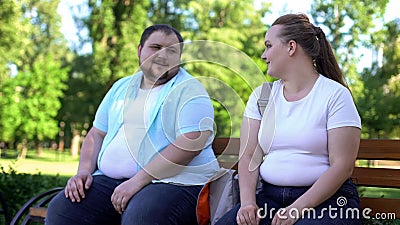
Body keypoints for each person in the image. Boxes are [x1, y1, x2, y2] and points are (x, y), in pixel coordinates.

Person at [46, 24, 220, 225]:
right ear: (140, 50)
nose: (163, 55)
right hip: (113, 182)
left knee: (142, 215)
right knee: (64, 209)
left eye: (171, 51)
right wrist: (84, 171)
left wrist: (137, 182)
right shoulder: (121, 86)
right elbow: (97, 134)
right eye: (155, 47)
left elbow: (190, 143)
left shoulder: (190, 90)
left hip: (175, 183)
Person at [215, 13, 362, 225]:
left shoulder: (335, 95)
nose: (264, 55)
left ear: (291, 47)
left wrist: (296, 209)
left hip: (327, 202)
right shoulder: (261, 96)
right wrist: (248, 203)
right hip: (270, 199)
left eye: (268, 46)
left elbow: (342, 166)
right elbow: (248, 155)